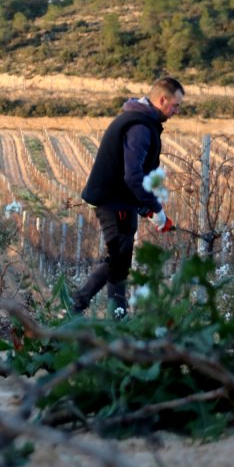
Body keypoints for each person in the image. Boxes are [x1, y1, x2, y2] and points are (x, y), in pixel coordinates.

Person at [71, 76, 184, 315]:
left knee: (119, 257)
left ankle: (106, 311)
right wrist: (155, 208)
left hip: (119, 200)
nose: (177, 111)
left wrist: (147, 209)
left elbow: (134, 175)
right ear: (162, 99)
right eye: (175, 105)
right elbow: (132, 176)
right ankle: (93, 309)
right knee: (119, 258)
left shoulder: (139, 120)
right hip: (115, 201)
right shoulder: (140, 127)